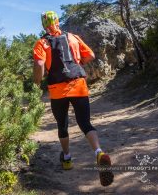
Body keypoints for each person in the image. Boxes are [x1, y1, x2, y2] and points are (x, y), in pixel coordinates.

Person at [33, 11, 114, 186]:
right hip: (79, 85)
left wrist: (37, 82)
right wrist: (79, 63)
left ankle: (67, 158)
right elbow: (91, 55)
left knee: (62, 126)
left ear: (43, 25)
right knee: (85, 123)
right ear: (58, 21)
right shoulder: (73, 37)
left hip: (57, 90)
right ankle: (99, 153)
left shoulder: (42, 42)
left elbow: (39, 64)